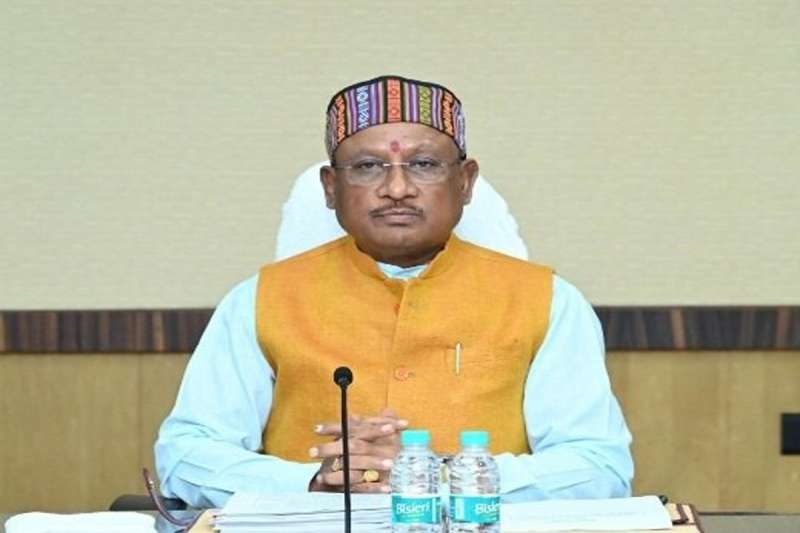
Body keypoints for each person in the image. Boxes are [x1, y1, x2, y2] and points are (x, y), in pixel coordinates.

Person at [155, 75, 634, 508]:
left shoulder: (547, 300)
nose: (397, 188)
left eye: (423, 164)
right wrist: (312, 484)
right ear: (330, 187)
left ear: (466, 182)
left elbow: (598, 466)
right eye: (368, 166)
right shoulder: (260, 299)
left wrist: (436, 475)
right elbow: (186, 454)